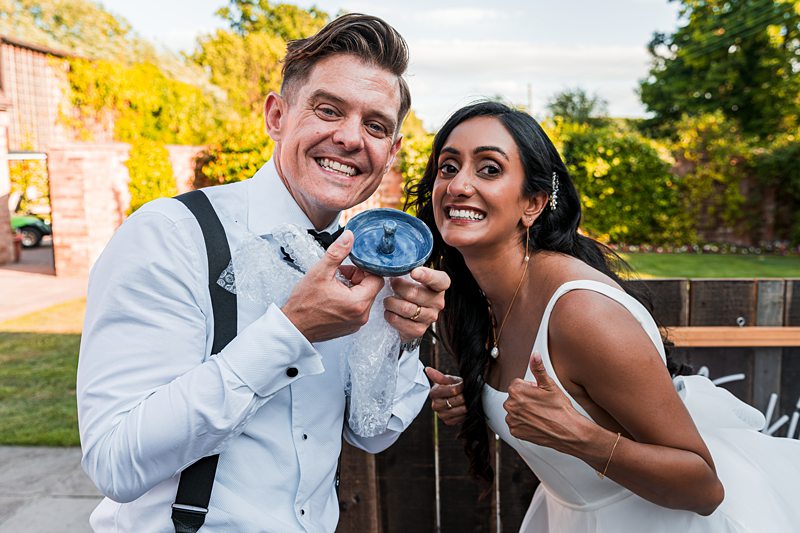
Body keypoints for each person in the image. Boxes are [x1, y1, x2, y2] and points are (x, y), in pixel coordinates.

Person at [77, 14, 449, 532]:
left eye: (376, 125)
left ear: (391, 152)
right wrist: (290, 332)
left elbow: (373, 433)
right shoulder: (170, 235)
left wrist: (399, 338)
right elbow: (114, 461)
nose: (350, 137)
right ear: (277, 116)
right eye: (328, 110)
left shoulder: (367, 261)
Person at [410, 101, 800, 532]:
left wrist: (578, 436)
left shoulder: (581, 312)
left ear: (533, 203)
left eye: (489, 169)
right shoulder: (473, 298)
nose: (458, 185)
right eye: (448, 167)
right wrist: (479, 399)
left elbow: (704, 487)